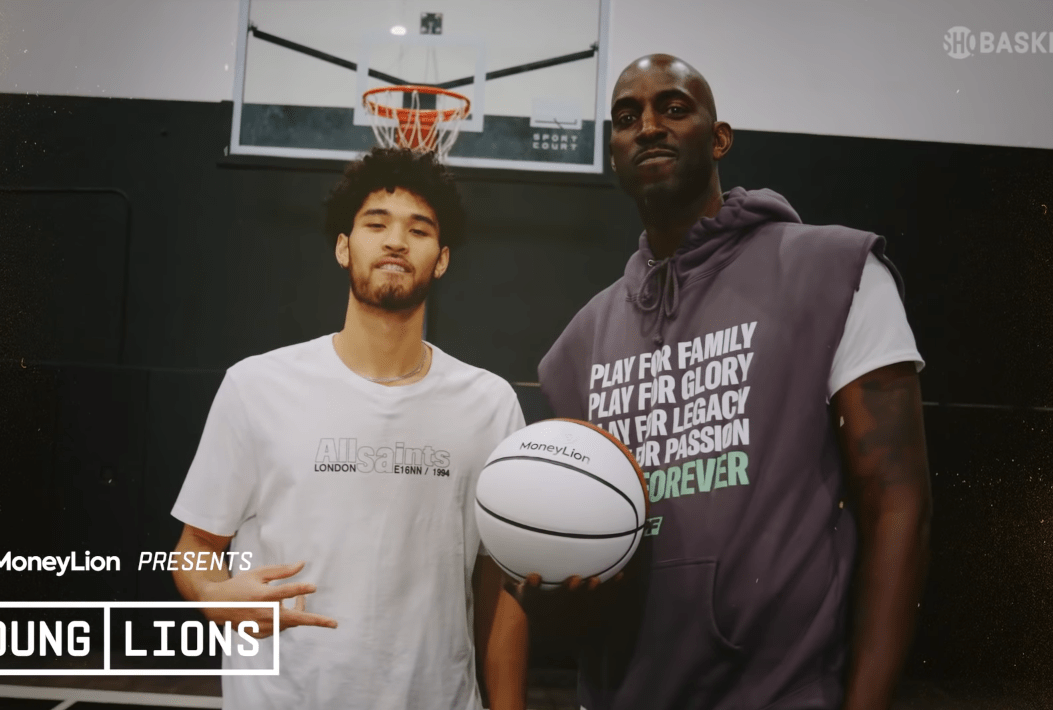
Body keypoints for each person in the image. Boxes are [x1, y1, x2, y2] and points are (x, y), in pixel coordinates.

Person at [530, 54, 933, 710]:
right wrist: (552, 592)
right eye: (627, 117)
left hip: (782, 693)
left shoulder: (833, 271)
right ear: (612, 152)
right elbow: (585, 554)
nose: (649, 126)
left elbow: (898, 504)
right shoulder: (577, 346)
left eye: (674, 107)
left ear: (718, 138)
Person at [170, 147, 529, 710]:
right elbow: (193, 548)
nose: (395, 241)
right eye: (375, 224)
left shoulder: (489, 404)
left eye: (419, 229)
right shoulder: (256, 386)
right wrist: (214, 596)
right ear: (344, 247)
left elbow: (499, 590)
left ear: (441, 259)